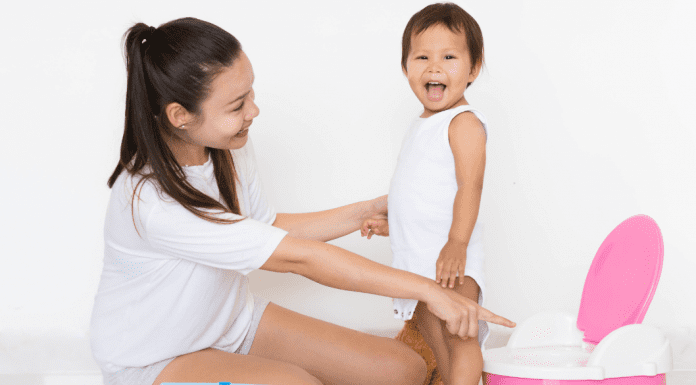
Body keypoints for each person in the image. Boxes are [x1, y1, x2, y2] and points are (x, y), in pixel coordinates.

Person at [89, 17, 515, 385]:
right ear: (180, 116)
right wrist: (430, 291)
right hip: (157, 361)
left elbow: (264, 225)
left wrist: (363, 213)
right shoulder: (152, 203)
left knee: (403, 370)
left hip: (233, 324)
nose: (254, 111)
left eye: (251, 93)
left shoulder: (227, 146)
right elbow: (298, 258)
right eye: (238, 105)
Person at [361, 3, 494, 385]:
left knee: (458, 331)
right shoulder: (422, 124)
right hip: (418, 257)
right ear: (405, 67)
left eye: (449, 57)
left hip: (451, 257)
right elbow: (422, 190)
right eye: (422, 57)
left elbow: (471, 186)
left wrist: (457, 242)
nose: (434, 67)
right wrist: (395, 225)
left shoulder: (463, 122)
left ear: (473, 68)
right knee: (434, 335)